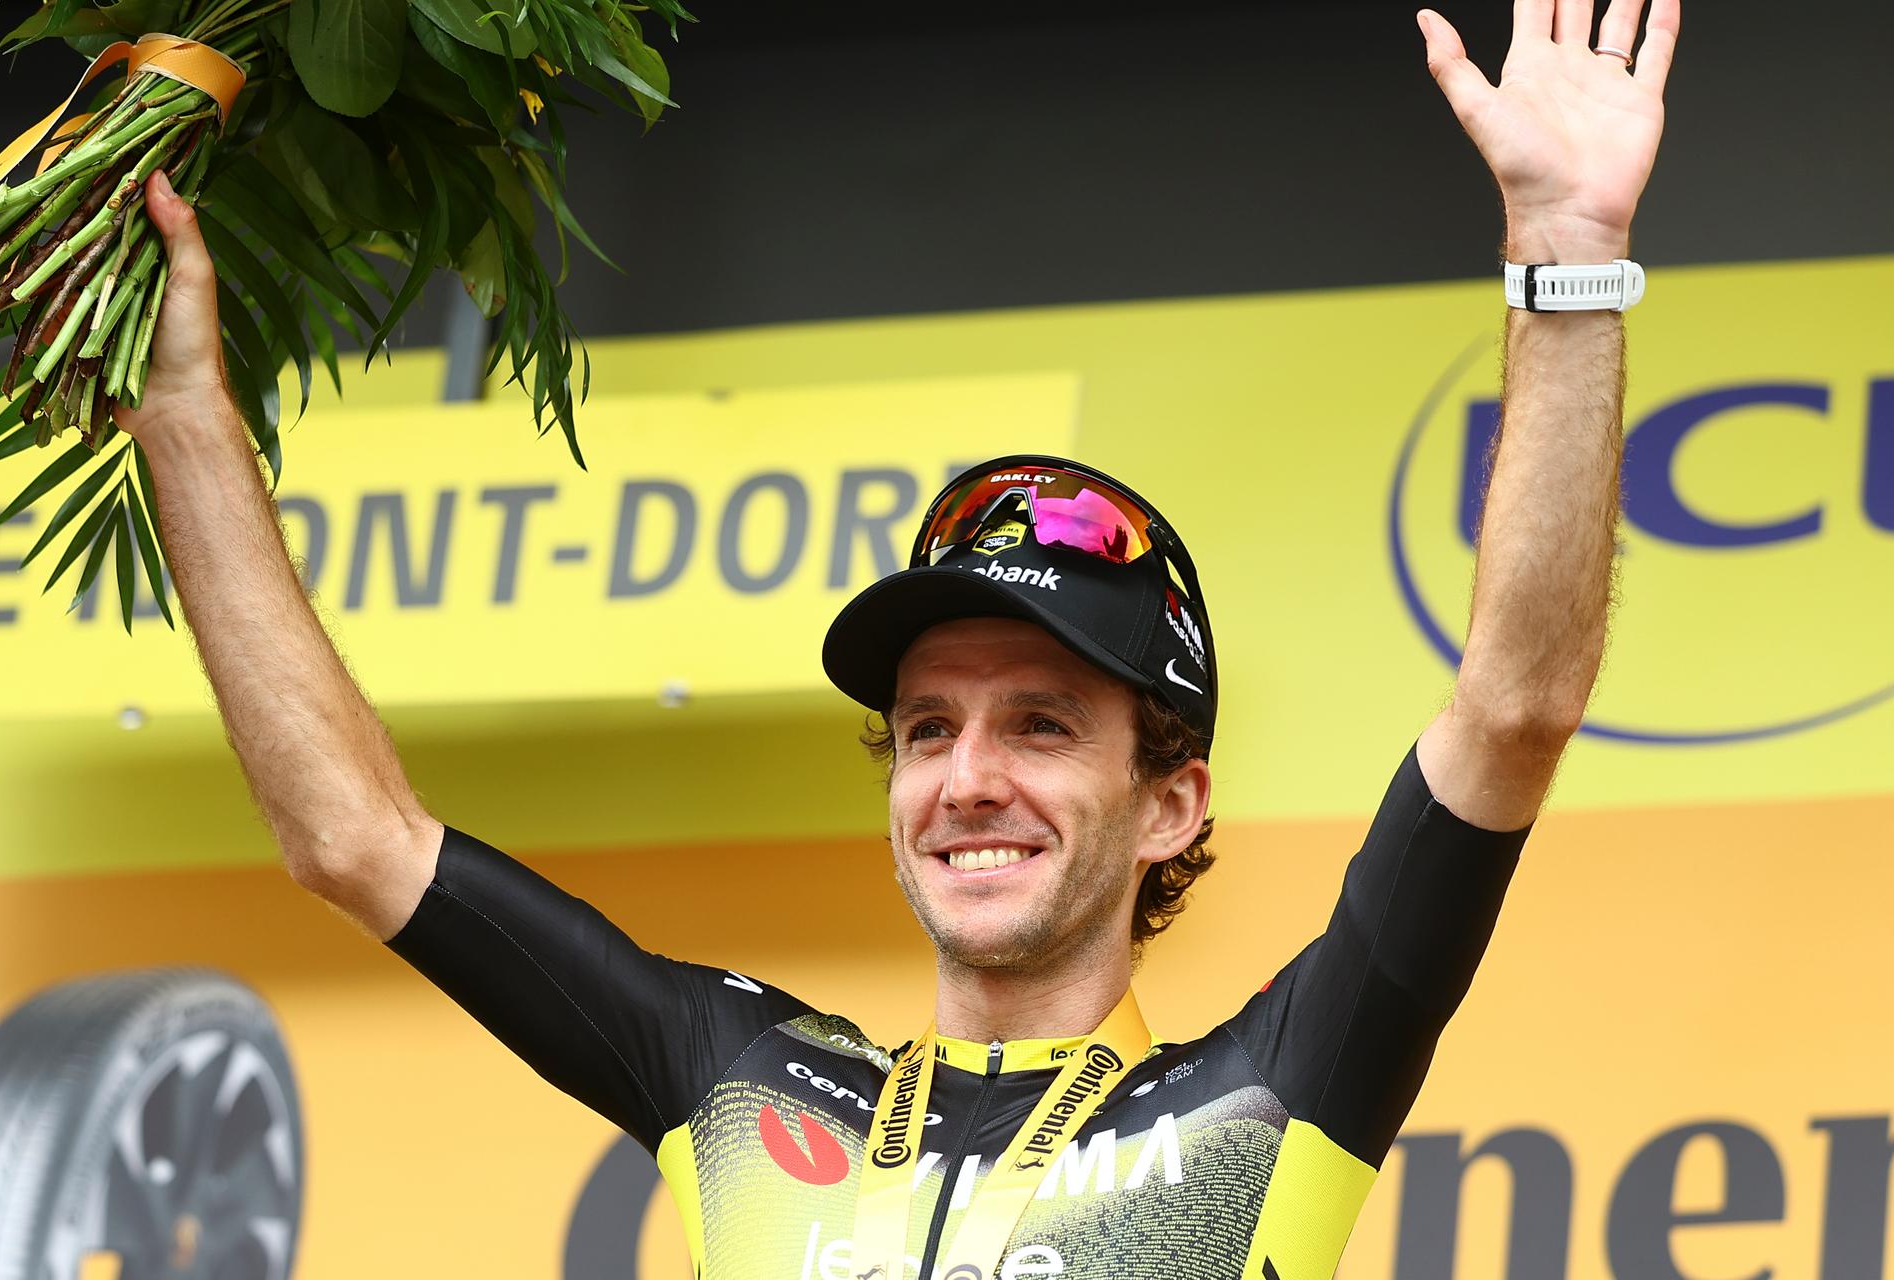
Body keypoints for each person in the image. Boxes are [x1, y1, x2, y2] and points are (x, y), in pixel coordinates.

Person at [115, 0, 1680, 1275]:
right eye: (929, 727)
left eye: (1044, 723)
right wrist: (182, 409)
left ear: (1171, 806)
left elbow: (1514, 709)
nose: (967, 777)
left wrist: (1562, 252)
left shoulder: (1272, 1095)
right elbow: (350, 835)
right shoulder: (733, 1078)